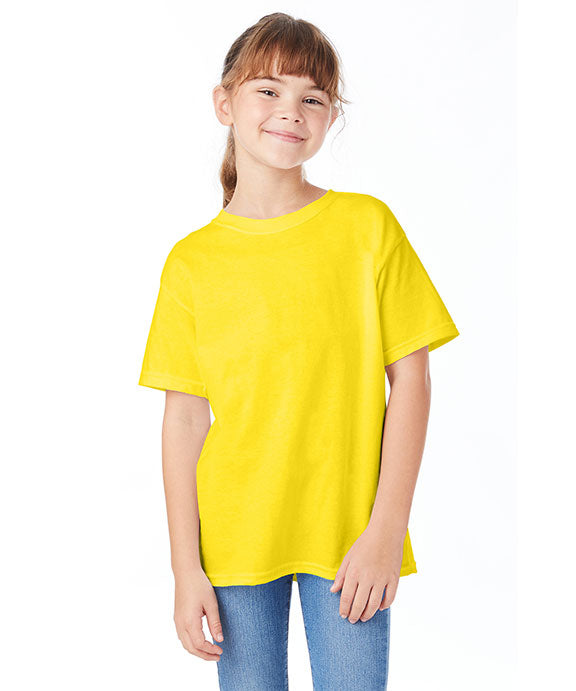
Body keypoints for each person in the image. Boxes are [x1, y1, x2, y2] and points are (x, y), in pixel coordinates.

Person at [138, 12, 460, 691]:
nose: (291, 110)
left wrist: (387, 529)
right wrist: (185, 568)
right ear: (224, 102)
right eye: (269, 90)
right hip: (233, 537)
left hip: (349, 534)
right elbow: (184, 419)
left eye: (312, 97)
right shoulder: (191, 263)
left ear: (329, 116)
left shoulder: (367, 228)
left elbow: (412, 380)